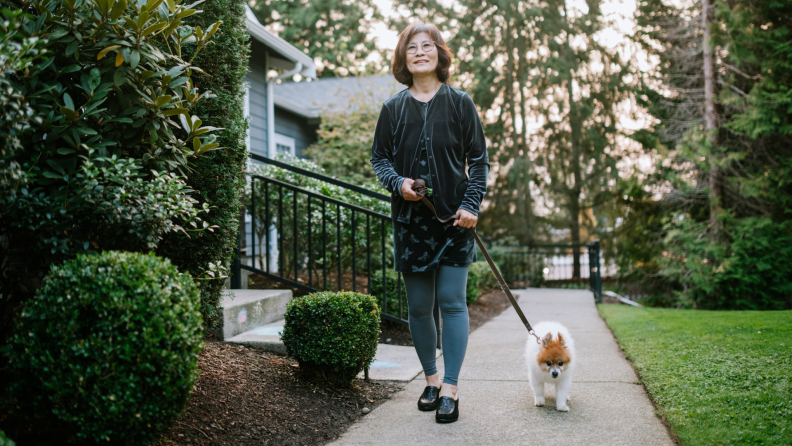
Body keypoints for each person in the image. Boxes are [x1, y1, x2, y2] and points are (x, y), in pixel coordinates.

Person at [369, 20, 489, 424]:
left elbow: (479, 160)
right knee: (420, 309)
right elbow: (379, 159)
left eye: (427, 46)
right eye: (411, 47)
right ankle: (432, 381)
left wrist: (471, 205)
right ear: (404, 58)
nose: (419, 52)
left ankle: (451, 388)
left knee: (452, 304)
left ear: (440, 54)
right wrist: (398, 182)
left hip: (455, 222)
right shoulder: (392, 108)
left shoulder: (460, 103)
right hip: (410, 223)